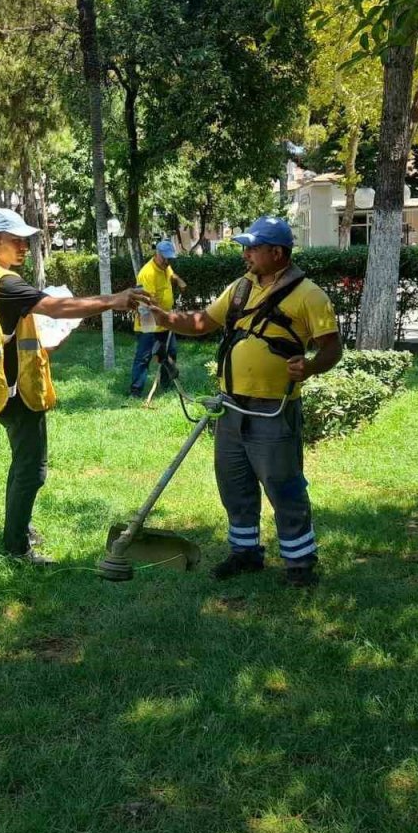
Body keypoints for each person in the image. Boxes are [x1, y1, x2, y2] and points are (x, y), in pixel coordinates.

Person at [151, 215, 341, 587]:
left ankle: (300, 564)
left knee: (283, 486)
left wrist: (312, 366)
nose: (246, 254)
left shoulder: (310, 295)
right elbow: (202, 323)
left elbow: (332, 348)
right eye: (246, 247)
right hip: (231, 408)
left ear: (277, 252)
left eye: (252, 248)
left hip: (274, 410)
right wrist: (164, 318)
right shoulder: (240, 288)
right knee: (234, 484)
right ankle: (245, 553)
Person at [0, 208, 153, 565]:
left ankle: (17, 531)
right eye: (15, 240)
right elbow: (56, 307)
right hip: (15, 392)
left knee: (22, 464)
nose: (23, 247)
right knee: (31, 470)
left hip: (3, 386)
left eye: (25, 240)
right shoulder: (4, 281)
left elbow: (8, 332)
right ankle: (17, 548)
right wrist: (115, 299)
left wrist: (46, 343)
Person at [129, 239, 187, 397]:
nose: (168, 262)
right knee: (144, 356)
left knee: (170, 352)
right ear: (157, 254)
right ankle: (135, 391)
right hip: (148, 319)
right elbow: (149, 301)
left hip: (164, 319)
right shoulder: (147, 273)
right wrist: (167, 315)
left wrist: (178, 280)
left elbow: (171, 274)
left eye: (170, 258)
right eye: (165, 258)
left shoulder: (165, 266)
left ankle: (166, 385)